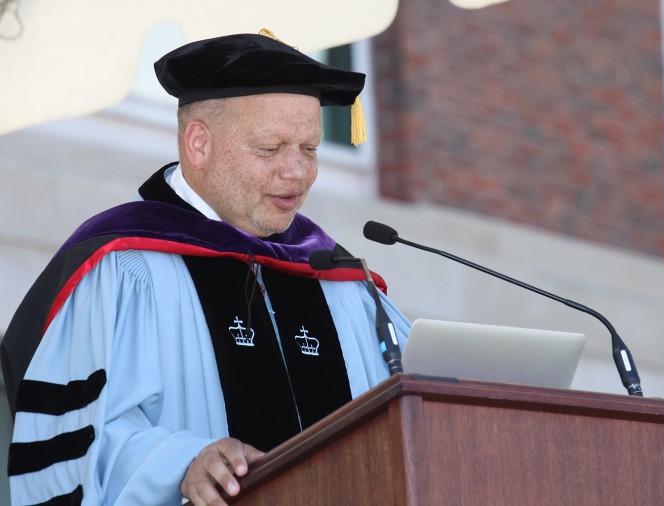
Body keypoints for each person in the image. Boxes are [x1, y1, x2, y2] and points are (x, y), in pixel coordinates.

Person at [1, 32, 410, 505]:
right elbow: (75, 444)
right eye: (271, 147)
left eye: (310, 149)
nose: (296, 172)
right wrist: (182, 464)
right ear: (198, 145)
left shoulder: (340, 283)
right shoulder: (125, 269)